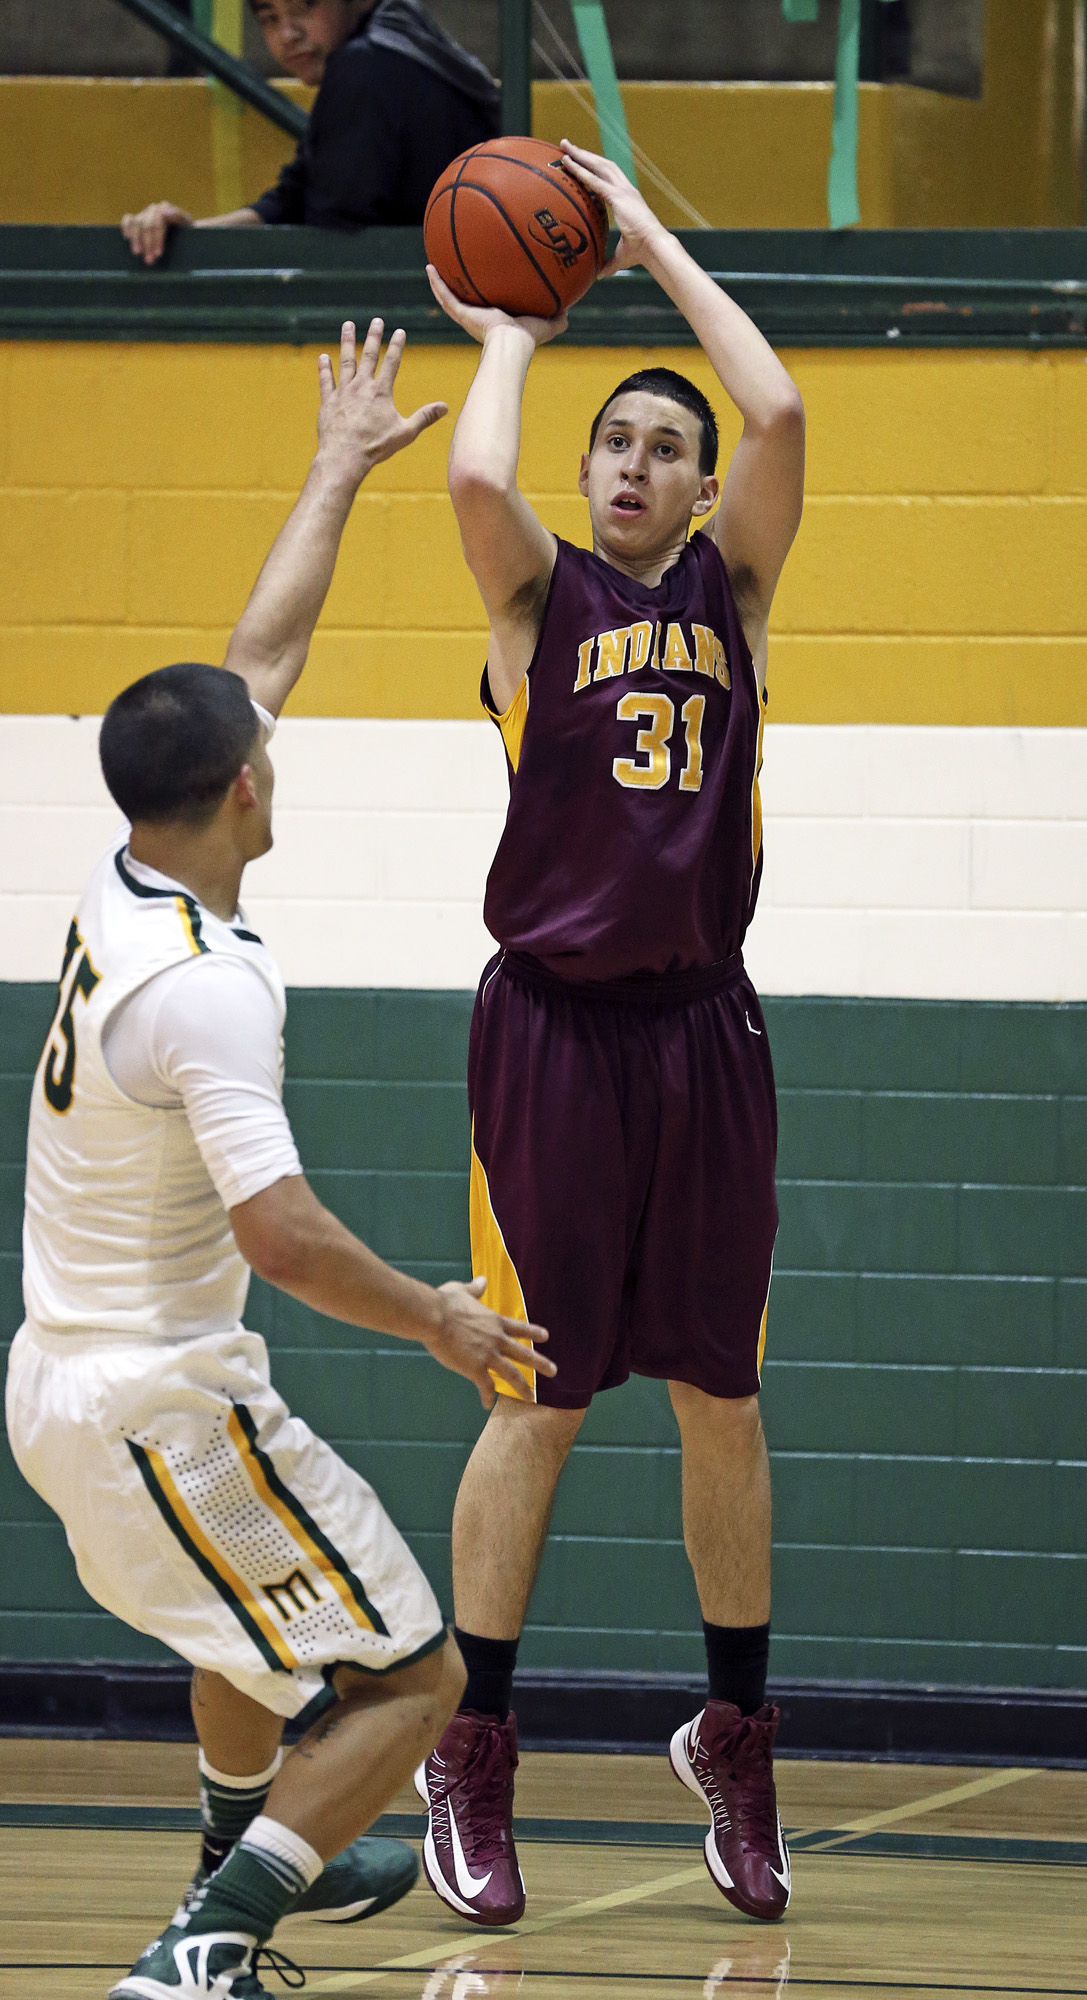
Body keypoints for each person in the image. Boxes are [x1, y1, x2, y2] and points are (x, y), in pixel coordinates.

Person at [4, 317, 553, 2000]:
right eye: (266, 749)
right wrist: (443, 1323)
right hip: (153, 1398)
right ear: (242, 790)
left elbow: (258, 648)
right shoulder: (209, 986)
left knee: (241, 1633)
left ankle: (239, 1850)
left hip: (87, 1377)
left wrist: (335, 467)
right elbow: (288, 1228)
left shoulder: (129, 874)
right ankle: (210, 1939)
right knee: (411, 1676)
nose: (275, 747)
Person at [415, 142, 805, 1928]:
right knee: (543, 1399)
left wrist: (644, 234)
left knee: (721, 1401)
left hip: (705, 1035)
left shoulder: (734, 596)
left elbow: (780, 401)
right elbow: (481, 467)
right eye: (616, 445)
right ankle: (472, 1748)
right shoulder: (530, 603)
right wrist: (513, 315)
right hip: (556, 1039)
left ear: (702, 487)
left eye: (665, 448)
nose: (636, 465)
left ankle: (735, 1731)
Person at [122, 0, 498, 264]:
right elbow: (292, 199)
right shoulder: (399, 37)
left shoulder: (366, 67)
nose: (288, 34)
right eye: (269, 18)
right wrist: (193, 233)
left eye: (304, 7)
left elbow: (323, 236)